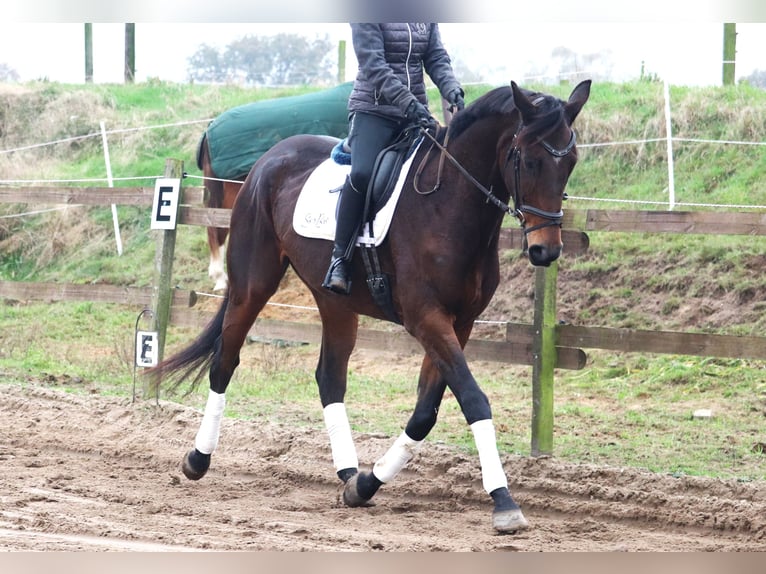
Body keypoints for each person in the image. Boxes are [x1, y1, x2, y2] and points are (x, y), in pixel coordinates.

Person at [322, 23, 465, 295]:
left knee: (439, 170)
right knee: (362, 173)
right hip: (373, 112)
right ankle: (339, 259)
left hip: (414, 112)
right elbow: (374, 65)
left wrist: (451, 88)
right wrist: (408, 103)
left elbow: (435, 56)